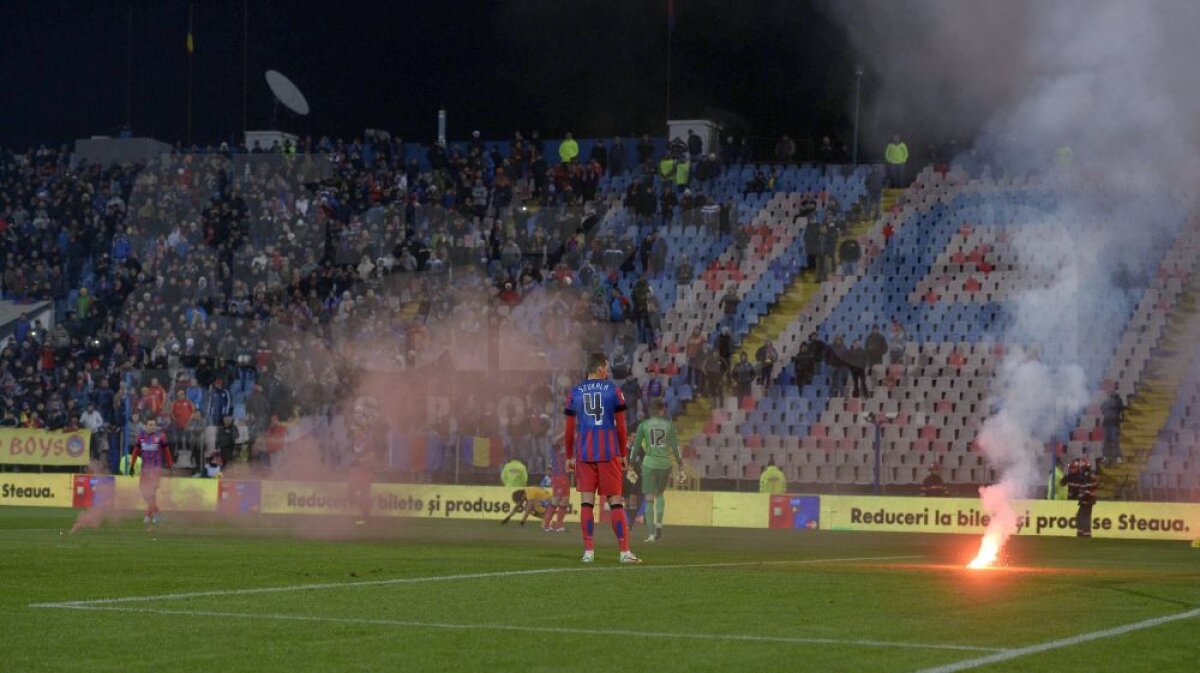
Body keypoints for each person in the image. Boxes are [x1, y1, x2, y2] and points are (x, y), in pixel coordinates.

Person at [564, 352, 639, 563]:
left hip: (585, 454)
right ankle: (624, 552)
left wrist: (570, 456)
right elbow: (622, 426)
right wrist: (623, 453)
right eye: (605, 368)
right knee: (615, 502)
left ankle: (588, 552)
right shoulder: (613, 391)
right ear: (599, 369)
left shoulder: (575, 393)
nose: (607, 372)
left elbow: (569, 430)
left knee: (586, 502)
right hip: (608, 453)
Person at [628, 399, 682, 543]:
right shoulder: (668, 425)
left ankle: (651, 534)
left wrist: (631, 464)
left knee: (649, 499)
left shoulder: (643, 425)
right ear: (662, 410)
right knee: (660, 494)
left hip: (649, 463)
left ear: (650, 411)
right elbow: (676, 448)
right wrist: (680, 464)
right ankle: (659, 524)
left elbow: (636, 446)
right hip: (664, 463)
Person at [128, 418, 173, 525]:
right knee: (143, 491)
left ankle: (150, 515)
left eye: (154, 425)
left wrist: (170, 465)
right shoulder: (141, 437)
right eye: (150, 425)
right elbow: (135, 451)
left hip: (155, 470)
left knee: (151, 492)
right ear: (146, 426)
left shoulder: (161, 436)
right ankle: (155, 512)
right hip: (144, 470)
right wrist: (132, 465)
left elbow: (167, 452)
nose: (153, 426)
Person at [1060, 458, 1099, 537]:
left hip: (1087, 502)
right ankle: (1081, 533)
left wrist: (1084, 497)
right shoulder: (1085, 477)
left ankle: (1085, 534)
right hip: (1084, 501)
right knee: (1080, 517)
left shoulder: (1087, 477)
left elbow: (1090, 490)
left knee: (1085, 518)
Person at [1100, 393, 1125, 463]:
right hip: (1112, 424)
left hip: (1111, 424)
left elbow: (1102, 409)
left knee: (1111, 442)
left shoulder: (1110, 403)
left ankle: (1111, 457)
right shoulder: (1117, 402)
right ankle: (1114, 457)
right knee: (1112, 442)